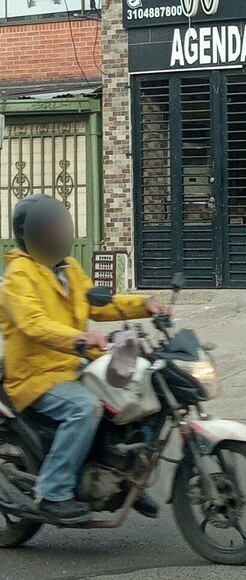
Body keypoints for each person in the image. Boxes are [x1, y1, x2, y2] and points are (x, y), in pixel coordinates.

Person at [0, 194, 170, 524]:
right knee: (85, 407)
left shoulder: (69, 268)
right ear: (29, 234)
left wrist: (144, 304)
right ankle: (54, 492)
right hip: (37, 376)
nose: (58, 233)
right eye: (49, 228)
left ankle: (126, 476)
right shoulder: (19, 276)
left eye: (60, 226)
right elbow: (34, 324)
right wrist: (81, 338)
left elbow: (97, 304)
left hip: (74, 365)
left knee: (136, 390)